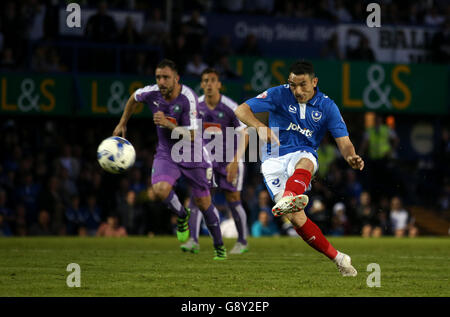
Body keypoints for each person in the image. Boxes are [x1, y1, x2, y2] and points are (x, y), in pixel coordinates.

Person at [235, 60, 364, 276]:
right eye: (293, 85)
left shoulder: (327, 106)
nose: (297, 90)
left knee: (305, 161)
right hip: (272, 159)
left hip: (303, 153)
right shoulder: (279, 94)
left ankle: (289, 195)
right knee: (297, 219)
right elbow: (241, 110)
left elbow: (344, 142)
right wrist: (259, 126)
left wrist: (351, 156)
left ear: (314, 82)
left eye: (302, 84)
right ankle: (339, 259)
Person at [113, 59, 226, 260]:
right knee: (159, 189)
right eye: (158, 77)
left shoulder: (188, 97)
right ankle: (182, 216)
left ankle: (219, 246)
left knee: (203, 203)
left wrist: (167, 124)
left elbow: (192, 134)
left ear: (176, 78)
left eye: (166, 77)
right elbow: (133, 98)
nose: (161, 81)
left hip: (192, 154)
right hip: (167, 154)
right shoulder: (152, 93)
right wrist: (123, 122)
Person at [180, 68, 249, 255]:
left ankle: (242, 241)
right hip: (206, 161)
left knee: (233, 199)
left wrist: (236, 161)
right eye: (205, 80)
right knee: (197, 197)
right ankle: (193, 241)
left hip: (229, 160)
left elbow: (245, 133)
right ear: (201, 84)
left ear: (219, 84)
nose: (209, 84)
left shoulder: (230, 106)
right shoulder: (196, 106)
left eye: (212, 80)